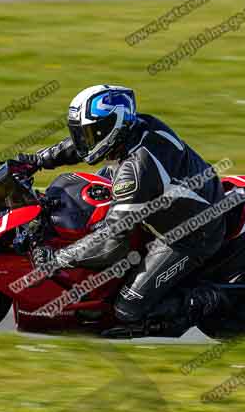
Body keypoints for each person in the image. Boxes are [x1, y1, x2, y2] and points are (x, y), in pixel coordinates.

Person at [15, 84, 226, 338]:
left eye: (92, 134)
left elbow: (112, 246)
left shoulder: (136, 170)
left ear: (113, 128)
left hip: (189, 234)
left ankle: (204, 300)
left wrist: (57, 259)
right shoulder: (138, 127)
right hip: (169, 200)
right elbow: (80, 146)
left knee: (127, 309)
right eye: (84, 133)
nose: (85, 140)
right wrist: (38, 160)